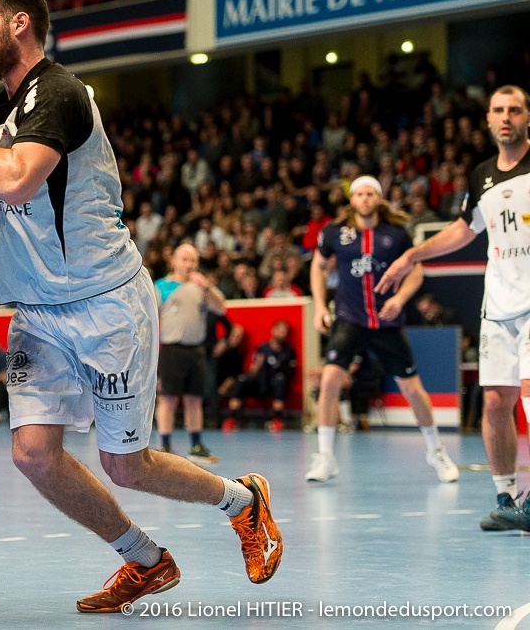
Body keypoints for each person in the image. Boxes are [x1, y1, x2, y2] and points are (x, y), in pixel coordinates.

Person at [0, 0, 282, 612]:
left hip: (105, 303)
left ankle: (243, 500)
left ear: (19, 25)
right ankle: (145, 560)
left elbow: (14, 180)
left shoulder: (59, 92)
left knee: (128, 464)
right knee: (34, 455)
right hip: (37, 312)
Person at [378, 85, 530, 530]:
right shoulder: (481, 175)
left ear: (527, 118)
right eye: (498, 110)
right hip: (499, 306)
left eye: (515, 110)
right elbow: (465, 229)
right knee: (496, 401)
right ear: (487, 119)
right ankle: (506, 497)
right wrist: (412, 255)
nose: (506, 117)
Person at [308, 175, 459, 483]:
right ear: (352, 199)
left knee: (412, 389)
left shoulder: (396, 234)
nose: (364, 198)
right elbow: (318, 266)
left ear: (378, 198)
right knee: (329, 381)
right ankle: (325, 457)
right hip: (349, 319)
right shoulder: (334, 233)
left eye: (370, 194)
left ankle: (436, 452)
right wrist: (321, 306)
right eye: (359, 194)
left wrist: (401, 299)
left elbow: (416, 272)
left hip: (387, 323)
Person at [153, 243, 226, 460]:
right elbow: (151, 319)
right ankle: (165, 446)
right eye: (184, 259)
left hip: (196, 349)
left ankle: (196, 445)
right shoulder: (161, 287)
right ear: (173, 261)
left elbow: (221, 308)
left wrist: (206, 287)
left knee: (195, 399)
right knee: (168, 399)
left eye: (193, 260)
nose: (188, 264)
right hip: (171, 349)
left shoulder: (201, 287)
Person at [224, 319, 297, 432]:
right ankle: (232, 419)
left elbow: (290, 373)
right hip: (259, 382)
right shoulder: (262, 348)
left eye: (285, 331)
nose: (282, 334)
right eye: (280, 330)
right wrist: (256, 366)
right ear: (273, 331)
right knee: (240, 380)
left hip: (274, 384)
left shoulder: (288, 351)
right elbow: (253, 370)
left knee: (280, 381)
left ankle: (277, 420)